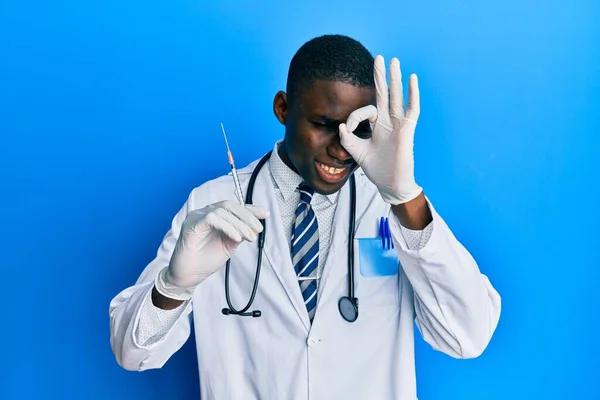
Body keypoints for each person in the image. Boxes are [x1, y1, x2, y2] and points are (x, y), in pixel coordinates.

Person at [109, 34, 501, 399]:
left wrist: (406, 197)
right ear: (282, 108)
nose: (342, 149)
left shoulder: (389, 207)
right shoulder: (211, 203)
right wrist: (172, 288)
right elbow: (133, 352)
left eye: (357, 129)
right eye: (324, 125)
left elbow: (468, 336)